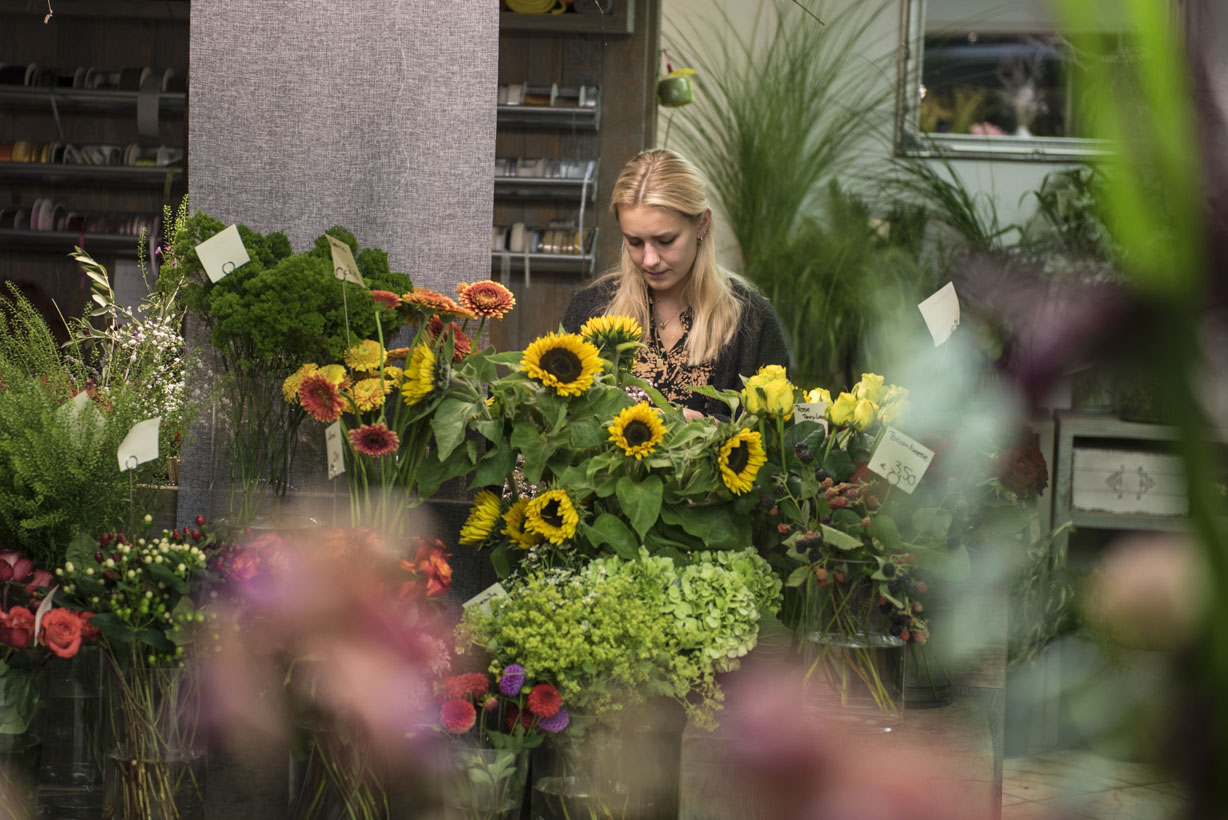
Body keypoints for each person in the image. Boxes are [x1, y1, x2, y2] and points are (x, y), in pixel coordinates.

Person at [562, 148, 791, 418]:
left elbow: (777, 433)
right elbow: (559, 419)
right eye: (634, 242)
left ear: (702, 223)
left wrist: (713, 428)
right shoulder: (590, 311)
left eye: (665, 241)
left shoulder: (752, 322)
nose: (649, 260)